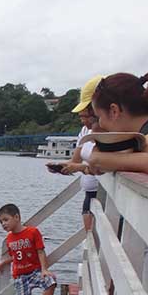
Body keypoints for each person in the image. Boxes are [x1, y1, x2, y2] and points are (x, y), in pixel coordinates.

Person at [48, 74, 104, 231]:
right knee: (91, 238)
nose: (83, 120)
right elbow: (75, 161)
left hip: (103, 193)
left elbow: (101, 166)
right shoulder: (85, 131)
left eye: (85, 116)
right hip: (89, 191)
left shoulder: (109, 132)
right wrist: (60, 167)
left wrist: (78, 168)